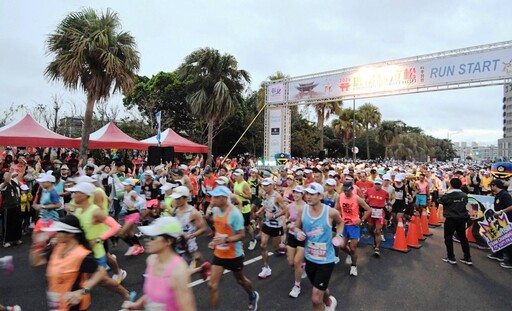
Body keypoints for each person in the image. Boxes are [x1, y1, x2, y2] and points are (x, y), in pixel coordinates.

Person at [30, 214, 107, 311]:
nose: (55, 233)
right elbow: (36, 262)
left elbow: (101, 271)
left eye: (59, 231)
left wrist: (82, 291)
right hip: (57, 305)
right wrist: (38, 245)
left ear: (71, 234)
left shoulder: (82, 254)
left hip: (75, 305)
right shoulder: (57, 248)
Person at [120, 217, 196, 311]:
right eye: (147, 236)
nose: (147, 240)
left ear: (168, 241)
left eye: (152, 237)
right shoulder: (151, 260)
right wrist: (136, 305)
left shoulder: (178, 270)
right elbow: (152, 295)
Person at [206, 186, 259, 311]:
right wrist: (208, 218)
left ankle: (252, 295)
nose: (213, 199)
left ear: (224, 199)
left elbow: (242, 235)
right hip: (219, 253)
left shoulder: (235, 214)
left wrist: (225, 240)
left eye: (216, 197)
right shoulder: (216, 210)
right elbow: (218, 224)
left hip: (234, 255)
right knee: (212, 285)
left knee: (240, 280)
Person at [293, 182, 344, 311]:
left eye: (312, 194)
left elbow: (341, 222)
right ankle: (329, 301)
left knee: (316, 299)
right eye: (307, 193)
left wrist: (339, 236)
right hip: (309, 259)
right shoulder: (302, 210)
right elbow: (295, 227)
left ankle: (324, 302)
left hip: (326, 260)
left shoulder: (331, 212)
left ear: (320, 196)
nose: (308, 196)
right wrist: (297, 232)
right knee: (321, 289)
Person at [257, 178, 288, 279]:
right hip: (267, 223)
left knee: (277, 247)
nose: (265, 187)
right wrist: (260, 211)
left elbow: (285, 210)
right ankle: (266, 268)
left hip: (276, 224)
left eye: (267, 185)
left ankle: (292, 250)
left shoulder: (277, 196)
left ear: (271, 185)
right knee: (263, 245)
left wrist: (274, 216)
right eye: (264, 185)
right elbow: (266, 205)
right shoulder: (266, 194)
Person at [338, 181, 371, 277]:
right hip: (344, 224)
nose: (346, 192)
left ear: (352, 189)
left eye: (348, 191)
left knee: (353, 247)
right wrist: (338, 219)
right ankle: (351, 254)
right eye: (344, 190)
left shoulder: (357, 198)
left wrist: (361, 220)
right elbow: (337, 209)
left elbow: (369, 209)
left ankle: (354, 266)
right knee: (342, 246)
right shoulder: (340, 196)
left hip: (354, 225)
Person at [438, 178, 472, 265]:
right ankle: (467, 258)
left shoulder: (448, 195)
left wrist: (448, 191)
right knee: (463, 238)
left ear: (451, 185)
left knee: (448, 238)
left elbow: (440, 201)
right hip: (461, 219)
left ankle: (451, 257)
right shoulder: (464, 195)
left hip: (451, 219)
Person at [285, 185, 307, 298]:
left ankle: (297, 286)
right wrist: (289, 225)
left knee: (296, 262)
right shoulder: (290, 206)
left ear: (303, 194)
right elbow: (286, 219)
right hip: (292, 235)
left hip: (303, 237)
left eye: (298, 192)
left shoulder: (307, 207)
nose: (296, 194)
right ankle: (303, 266)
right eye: (294, 192)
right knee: (291, 263)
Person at [488, 179, 512, 268]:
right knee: (500, 237)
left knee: (507, 239)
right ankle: (499, 254)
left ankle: (510, 261)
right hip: (500, 220)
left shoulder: (505, 195)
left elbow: (511, 206)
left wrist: (502, 211)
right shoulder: (498, 194)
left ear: (494, 186)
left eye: (491, 185)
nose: (491, 187)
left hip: (507, 219)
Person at [233, 169, 256, 251]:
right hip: (236, 207)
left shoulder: (245, 184)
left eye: (236, 175)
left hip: (245, 208)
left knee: (247, 226)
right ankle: (239, 242)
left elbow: (250, 196)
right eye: (234, 175)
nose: (235, 177)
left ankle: (253, 240)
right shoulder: (235, 183)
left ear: (241, 175)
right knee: (237, 225)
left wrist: (240, 193)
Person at [365, 178, 389, 257]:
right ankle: (375, 240)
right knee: (370, 228)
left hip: (380, 212)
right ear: (374, 184)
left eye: (379, 184)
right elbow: (364, 199)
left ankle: (377, 248)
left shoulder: (385, 193)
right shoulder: (369, 190)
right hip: (370, 210)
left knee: (378, 230)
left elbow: (388, 201)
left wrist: (389, 207)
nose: (377, 186)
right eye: (376, 184)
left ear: (381, 185)